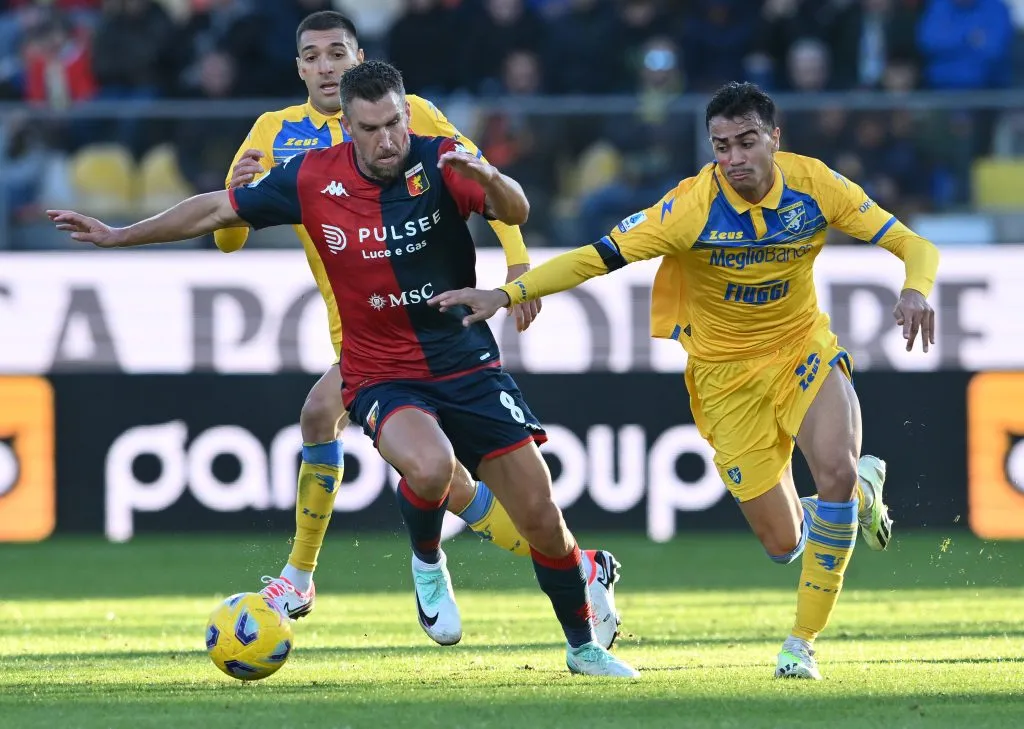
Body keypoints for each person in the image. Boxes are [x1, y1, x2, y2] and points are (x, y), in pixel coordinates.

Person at [47, 60, 639, 679]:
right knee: (432, 464)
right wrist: (120, 236)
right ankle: (428, 563)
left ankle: (583, 647)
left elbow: (513, 212)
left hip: (466, 361)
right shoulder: (310, 177)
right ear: (347, 128)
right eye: (372, 129)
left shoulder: (440, 161)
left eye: (395, 124)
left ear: (406, 113)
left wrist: (490, 176)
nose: (388, 140)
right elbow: (213, 212)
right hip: (380, 370)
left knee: (544, 518)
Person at [430, 81, 941, 680]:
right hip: (724, 381)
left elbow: (914, 243)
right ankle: (859, 494)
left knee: (833, 468)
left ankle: (801, 643)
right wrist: (507, 292)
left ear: (775, 138)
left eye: (747, 142)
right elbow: (596, 255)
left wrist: (914, 289)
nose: (734, 159)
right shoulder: (690, 207)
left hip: (802, 349)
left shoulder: (816, 185)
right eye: (721, 146)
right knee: (783, 544)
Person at [214, 10, 622, 648]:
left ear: (358, 60)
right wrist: (230, 199)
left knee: (334, 424)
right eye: (314, 56)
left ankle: (302, 576)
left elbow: (479, 173)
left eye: (338, 53)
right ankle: (578, 564)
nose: (327, 66)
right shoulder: (274, 132)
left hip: (414, 329)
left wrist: (517, 265)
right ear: (299, 68)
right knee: (430, 472)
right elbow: (228, 237)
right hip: (356, 326)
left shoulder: (412, 114)